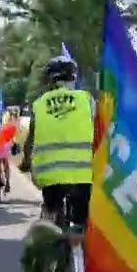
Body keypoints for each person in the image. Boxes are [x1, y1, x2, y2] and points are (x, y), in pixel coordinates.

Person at [19, 56, 94, 228]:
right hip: (83, 174)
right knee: (83, 221)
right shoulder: (87, 100)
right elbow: (99, 131)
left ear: (50, 80)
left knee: (49, 219)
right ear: (73, 78)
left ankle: (47, 244)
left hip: (50, 175)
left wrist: (25, 162)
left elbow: (31, 140)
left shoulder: (39, 104)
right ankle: (80, 247)